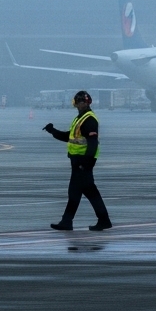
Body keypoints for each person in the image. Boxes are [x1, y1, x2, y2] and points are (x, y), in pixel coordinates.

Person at [43, 91, 111, 231]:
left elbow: (93, 142)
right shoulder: (80, 118)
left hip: (83, 161)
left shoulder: (89, 119)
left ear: (87, 103)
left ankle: (68, 221)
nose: (80, 104)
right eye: (78, 102)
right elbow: (70, 137)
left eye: (82, 102)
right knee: (87, 191)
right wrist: (53, 131)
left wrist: (87, 162)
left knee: (77, 192)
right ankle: (101, 220)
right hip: (77, 161)